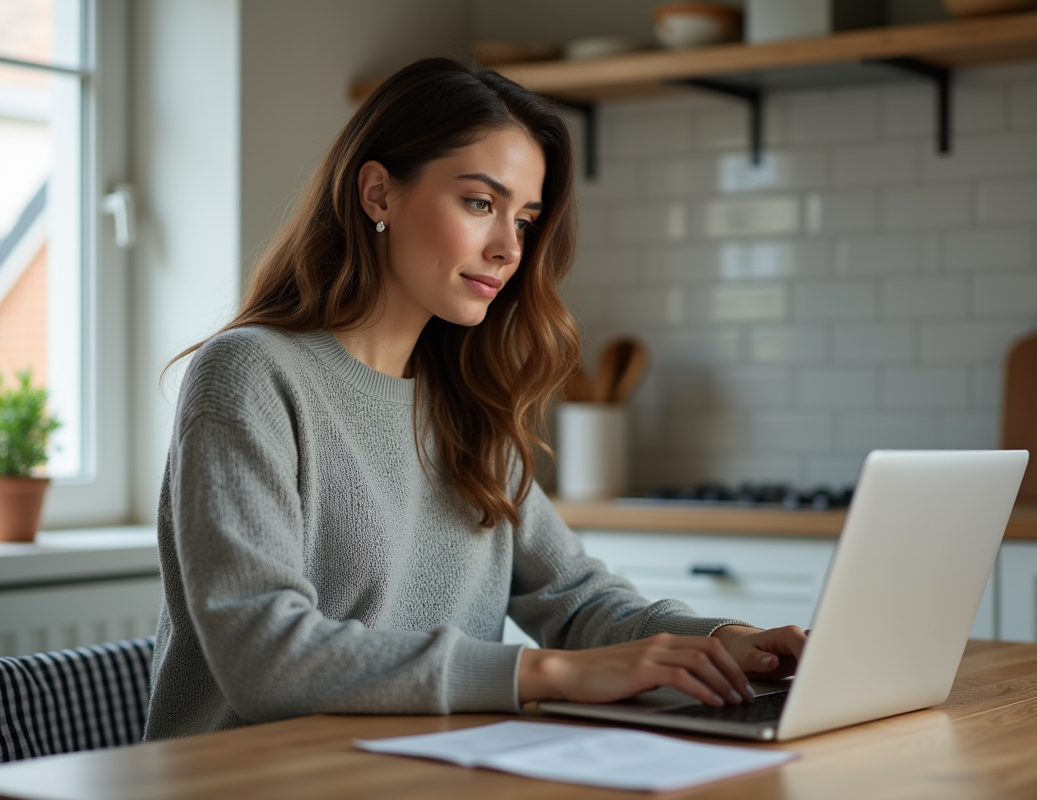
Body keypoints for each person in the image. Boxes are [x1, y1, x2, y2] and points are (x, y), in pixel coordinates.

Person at [145, 57, 807, 740]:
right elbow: (265, 658)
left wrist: (724, 640)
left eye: (524, 219)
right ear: (377, 193)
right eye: (480, 203)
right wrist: (546, 673)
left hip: (422, 769)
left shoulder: (465, 404)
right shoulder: (251, 373)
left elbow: (577, 599)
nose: (507, 249)